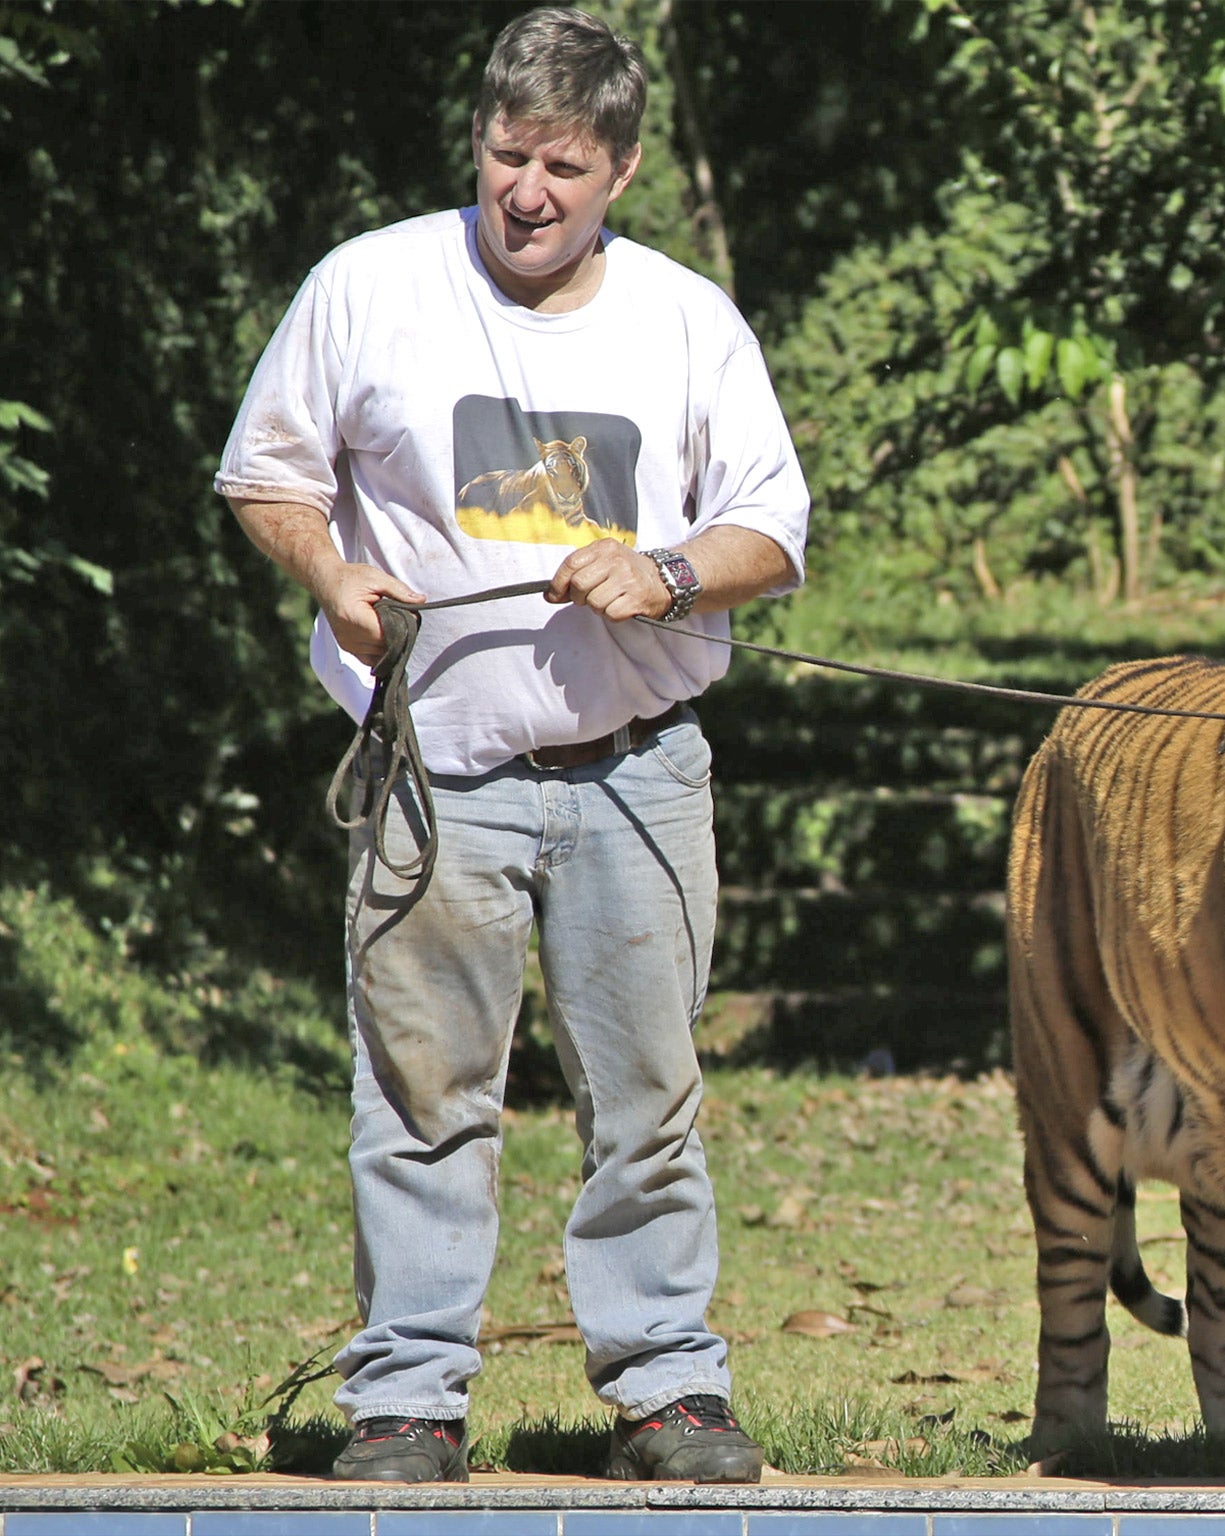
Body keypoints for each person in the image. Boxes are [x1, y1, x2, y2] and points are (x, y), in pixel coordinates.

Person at [214, 6, 807, 1485]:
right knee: (419, 1096)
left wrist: (664, 574)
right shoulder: (369, 285)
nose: (526, 192)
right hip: (434, 776)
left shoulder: (686, 319)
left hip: (636, 769)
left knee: (647, 1102)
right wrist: (333, 578)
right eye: (505, 154)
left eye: (562, 164)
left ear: (622, 170)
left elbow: (773, 532)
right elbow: (264, 471)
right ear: (477, 143)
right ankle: (407, 1397)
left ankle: (669, 1389)